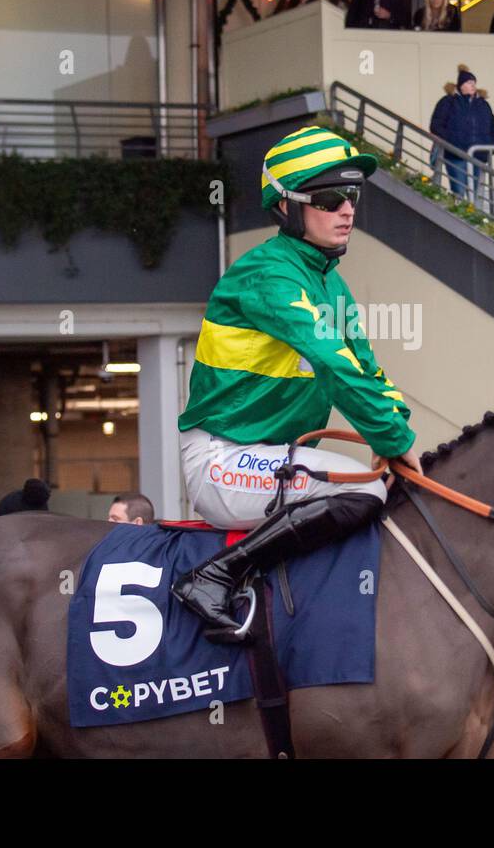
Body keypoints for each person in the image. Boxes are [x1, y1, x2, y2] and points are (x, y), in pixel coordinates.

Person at [173, 126, 421, 640]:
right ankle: (214, 577)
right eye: (330, 198)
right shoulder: (270, 276)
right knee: (365, 493)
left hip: (274, 455)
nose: (347, 210)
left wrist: (398, 431)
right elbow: (334, 362)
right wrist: (395, 444)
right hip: (222, 460)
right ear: (286, 207)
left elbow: (368, 369)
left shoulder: (330, 281)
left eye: (351, 196)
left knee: (375, 485)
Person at [428, 67, 494, 200]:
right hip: (456, 156)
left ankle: (475, 220)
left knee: (477, 196)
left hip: (478, 156)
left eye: (474, 82)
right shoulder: (448, 102)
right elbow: (436, 125)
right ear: (460, 86)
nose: (472, 85)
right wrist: (452, 142)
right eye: (468, 83)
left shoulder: (483, 105)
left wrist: (490, 147)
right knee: (459, 192)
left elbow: (493, 129)